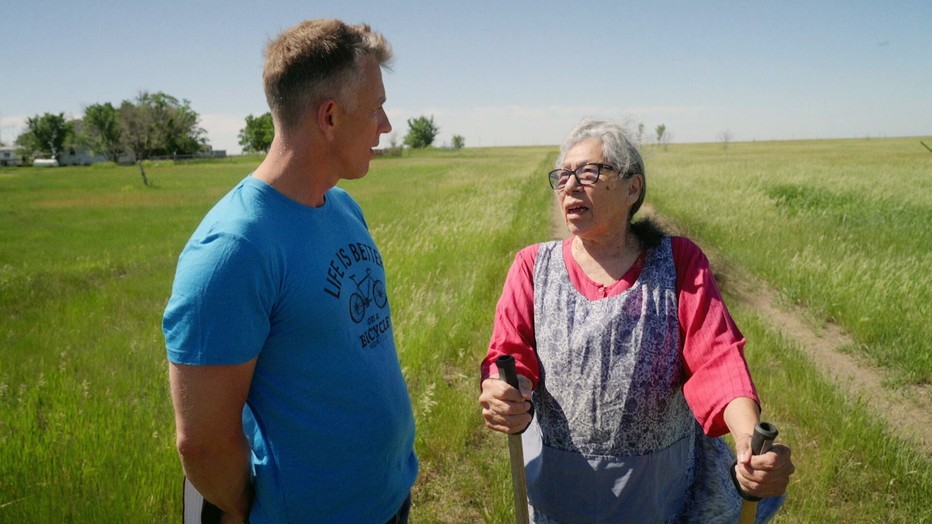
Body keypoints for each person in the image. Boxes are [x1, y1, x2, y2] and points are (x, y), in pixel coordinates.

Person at [164, 19, 417, 523]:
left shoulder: (342, 207)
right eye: (374, 109)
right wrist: (253, 512)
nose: (385, 125)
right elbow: (203, 444)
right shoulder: (232, 250)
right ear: (328, 117)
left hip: (387, 499)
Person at [479, 119, 795, 523]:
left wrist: (750, 442)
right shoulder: (532, 267)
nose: (571, 186)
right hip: (560, 494)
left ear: (633, 187)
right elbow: (509, 356)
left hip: (655, 496)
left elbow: (718, 360)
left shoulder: (677, 262)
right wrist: (505, 393)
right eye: (562, 176)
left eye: (589, 172)